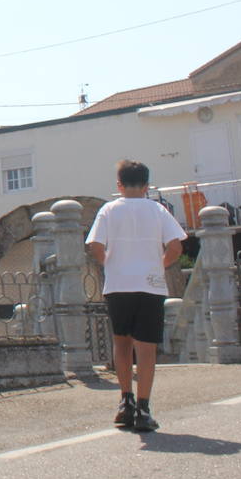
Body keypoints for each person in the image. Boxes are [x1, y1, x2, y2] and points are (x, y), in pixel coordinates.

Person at [86, 159, 186, 433]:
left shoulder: (109, 209)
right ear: (146, 185)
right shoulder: (157, 210)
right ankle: (144, 408)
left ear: (118, 184)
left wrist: (109, 262)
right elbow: (176, 246)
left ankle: (124, 402)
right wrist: (159, 264)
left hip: (119, 284)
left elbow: (95, 245)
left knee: (121, 343)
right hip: (150, 284)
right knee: (147, 347)